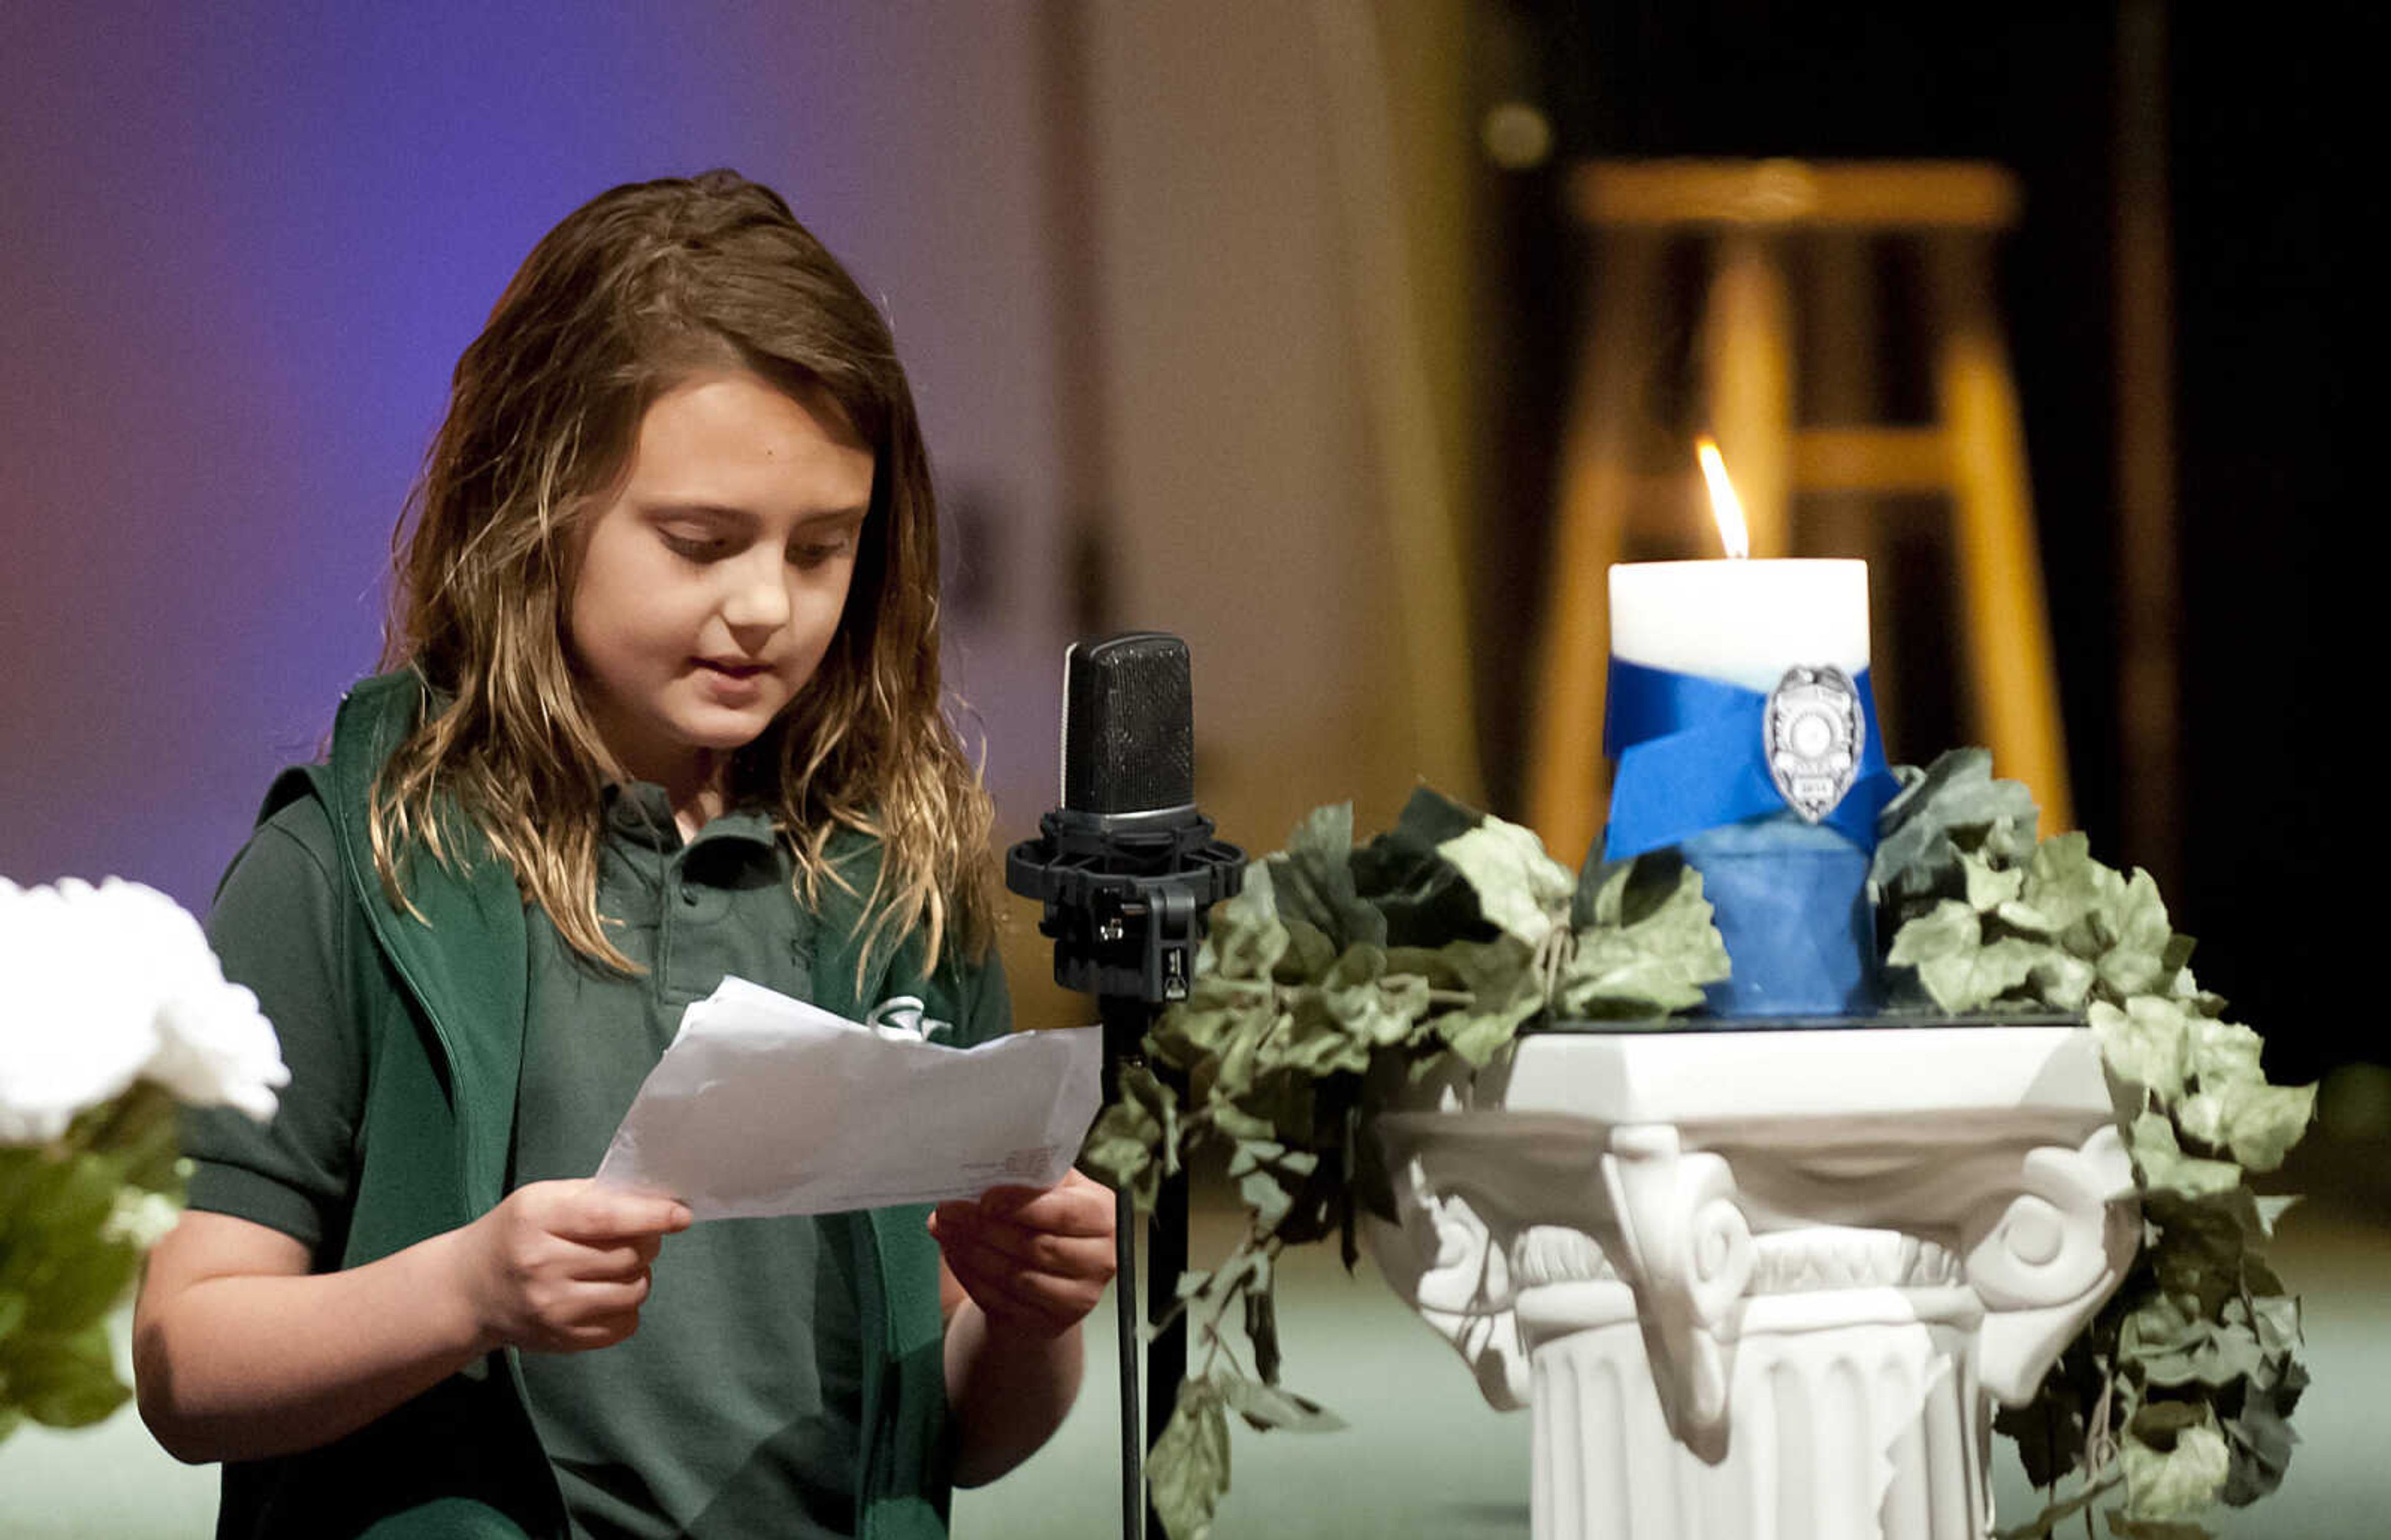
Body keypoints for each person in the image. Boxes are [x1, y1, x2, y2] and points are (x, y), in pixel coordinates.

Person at [132, 169, 1116, 1540]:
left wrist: (1028, 1318)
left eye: (824, 548)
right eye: (700, 542)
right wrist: (466, 1291)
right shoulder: (348, 862)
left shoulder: (893, 874)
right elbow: (190, 1362)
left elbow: (956, 1430)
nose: (766, 605)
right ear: (535, 503)